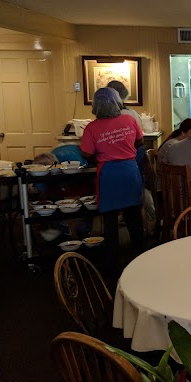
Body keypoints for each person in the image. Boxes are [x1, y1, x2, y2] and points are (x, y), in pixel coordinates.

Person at [80, 87, 145, 272]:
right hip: (130, 171)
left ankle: (112, 264)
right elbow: (140, 141)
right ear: (117, 102)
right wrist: (125, 148)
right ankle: (141, 255)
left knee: (110, 220)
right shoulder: (129, 120)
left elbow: (86, 152)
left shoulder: (92, 127)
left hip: (109, 173)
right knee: (134, 217)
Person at [107, 80, 145, 174]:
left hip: (110, 160)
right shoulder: (131, 114)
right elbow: (140, 138)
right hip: (131, 157)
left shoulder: (103, 116)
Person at [156, 118, 191, 190]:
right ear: (183, 133)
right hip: (166, 187)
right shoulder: (173, 145)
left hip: (172, 182)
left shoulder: (179, 143)